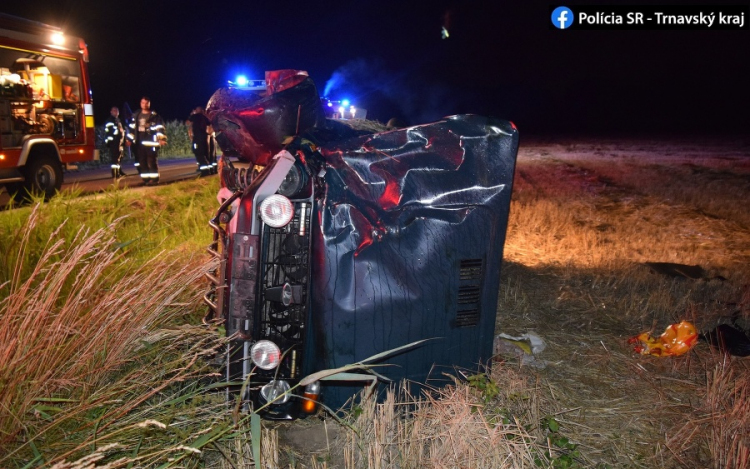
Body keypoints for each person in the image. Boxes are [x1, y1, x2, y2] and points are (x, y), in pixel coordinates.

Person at [126, 96, 167, 185]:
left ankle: (154, 180)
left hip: (151, 143)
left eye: (146, 103)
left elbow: (160, 128)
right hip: (139, 143)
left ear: (149, 104)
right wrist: (129, 139)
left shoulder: (155, 116)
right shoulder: (136, 115)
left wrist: (161, 139)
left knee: (151, 161)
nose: (144, 105)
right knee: (142, 162)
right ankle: (146, 180)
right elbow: (132, 129)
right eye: (143, 103)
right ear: (140, 104)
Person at [187, 106, 212, 177]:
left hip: (197, 138)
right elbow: (209, 124)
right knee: (205, 153)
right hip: (204, 137)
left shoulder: (194, 116)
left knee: (198, 152)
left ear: (197, 110)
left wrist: (192, 115)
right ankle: (208, 170)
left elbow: (188, 123)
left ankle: (204, 171)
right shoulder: (204, 117)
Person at [104, 106, 127, 179]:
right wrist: (112, 141)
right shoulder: (110, 120)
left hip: (119, 141)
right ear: (111, 112)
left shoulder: (118, 120)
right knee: (115, 158)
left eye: (117, 111)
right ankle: (115, 174)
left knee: (120, 157)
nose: (116, 112)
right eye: (114, 111)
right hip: (114, 142)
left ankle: (119, 171)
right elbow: (110, 132)